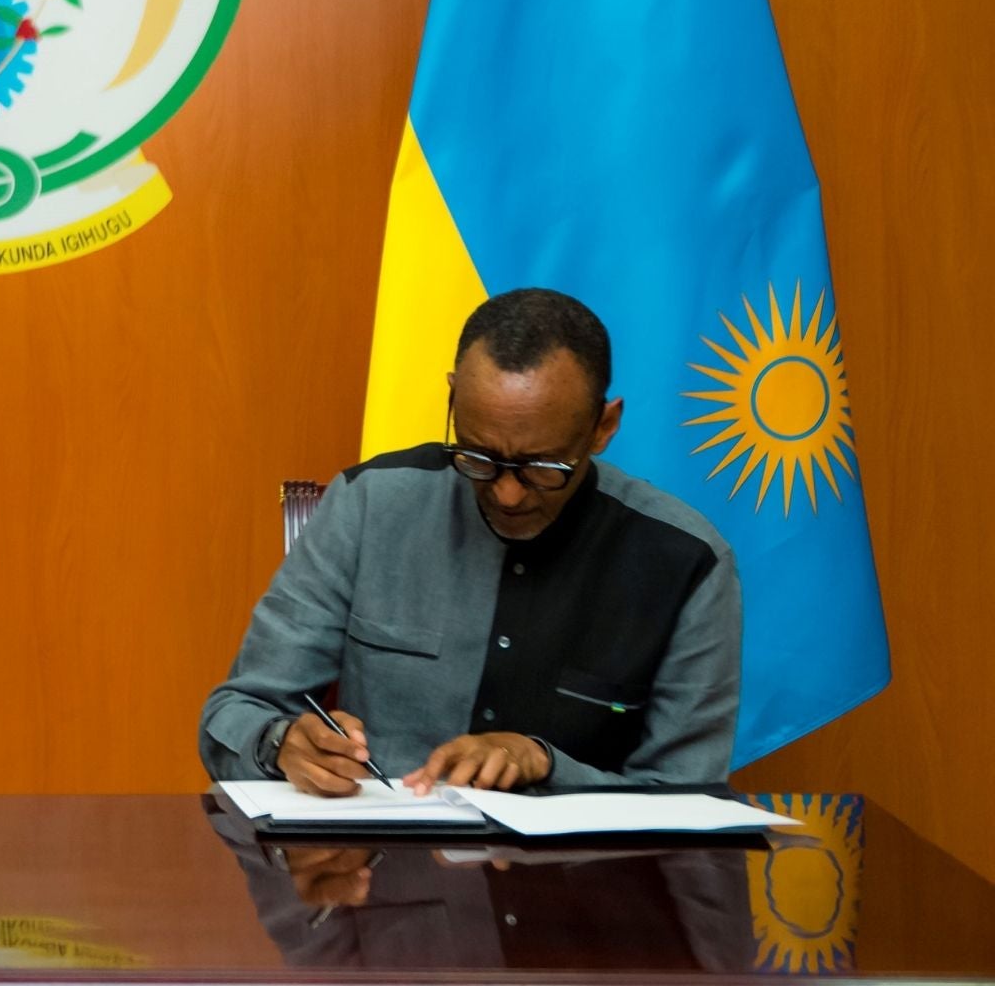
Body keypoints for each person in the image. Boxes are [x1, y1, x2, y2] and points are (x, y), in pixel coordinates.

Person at [200, 287, 740, 795]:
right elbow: (233, 713)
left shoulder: (686, 562)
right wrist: (280, 745)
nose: (506, 494)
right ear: (454, 399)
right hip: (385, 877)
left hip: (585, 886)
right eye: (478, 457)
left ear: (603, 426)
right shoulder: (368, 507)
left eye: (542, 467)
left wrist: (547, 766)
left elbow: (688, 799)